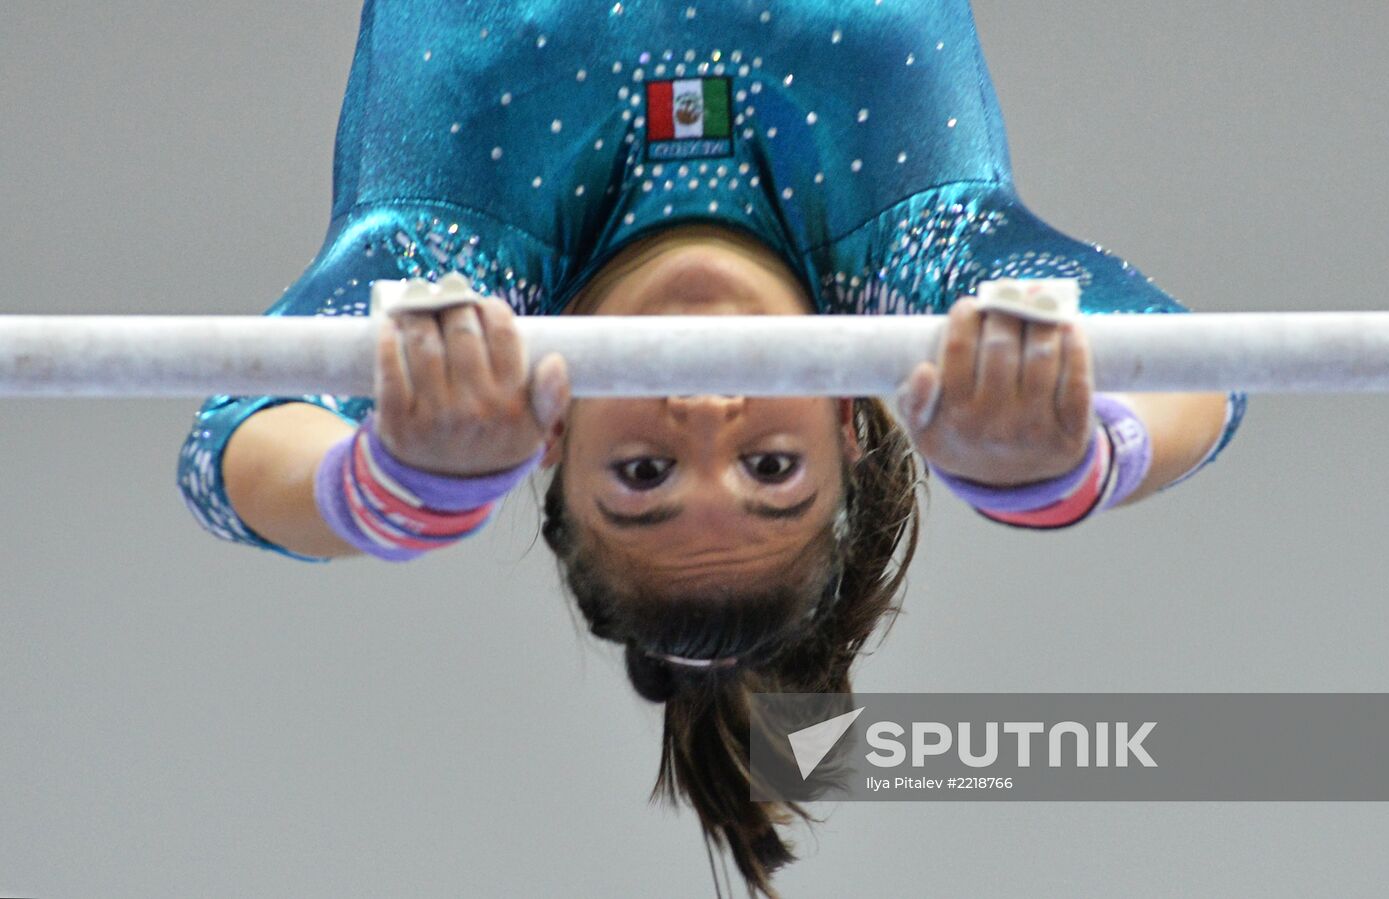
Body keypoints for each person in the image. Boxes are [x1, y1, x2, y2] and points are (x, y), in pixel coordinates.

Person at [176, 2, 1247, 895]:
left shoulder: (449, 255)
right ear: (843, 421)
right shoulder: (919, 243)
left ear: (549, 434)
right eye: (769, 471)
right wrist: (1064, 471)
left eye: (642, 476)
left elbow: (231, 443)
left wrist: (396, 489)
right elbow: (1199, 373)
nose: (702, 418)